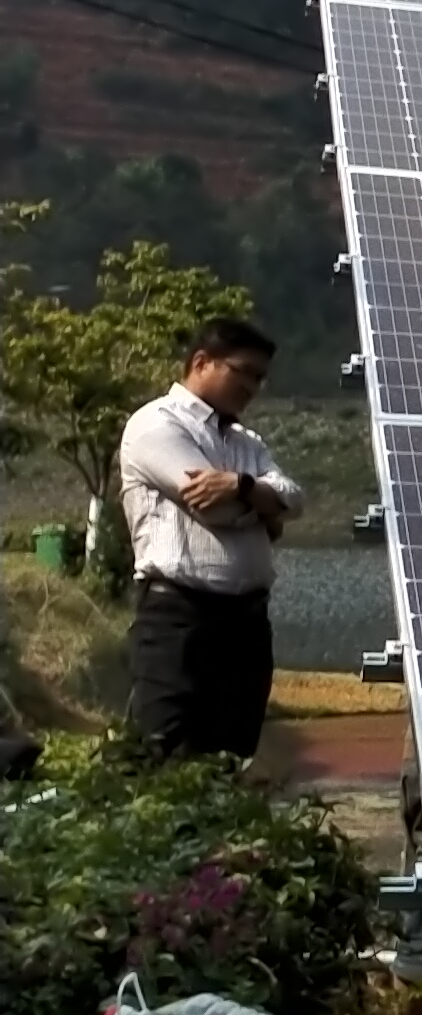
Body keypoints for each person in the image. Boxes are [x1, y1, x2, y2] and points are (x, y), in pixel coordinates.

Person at [119, 317, 305, 759]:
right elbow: (215, 510)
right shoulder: (156, 425)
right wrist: (262, 509)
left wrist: (242, 487)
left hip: (246, 625)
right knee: (168, 753)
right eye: (245, 372)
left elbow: (294, 499)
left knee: (232, 753)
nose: (254, 387)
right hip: (180, 619)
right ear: (202, 362)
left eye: (260, 377)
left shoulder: (246, 442)